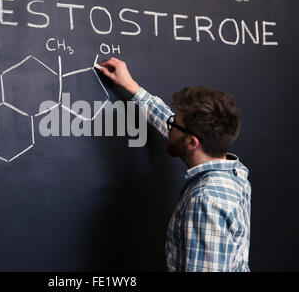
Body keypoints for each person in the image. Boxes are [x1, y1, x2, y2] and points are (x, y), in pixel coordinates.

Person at [98, 57, 251, 272]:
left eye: (174, 125)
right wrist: (131, 86)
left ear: (191, 142)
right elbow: (171, 123)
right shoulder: (232, 172)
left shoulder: (206, 200)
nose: (170, 127)